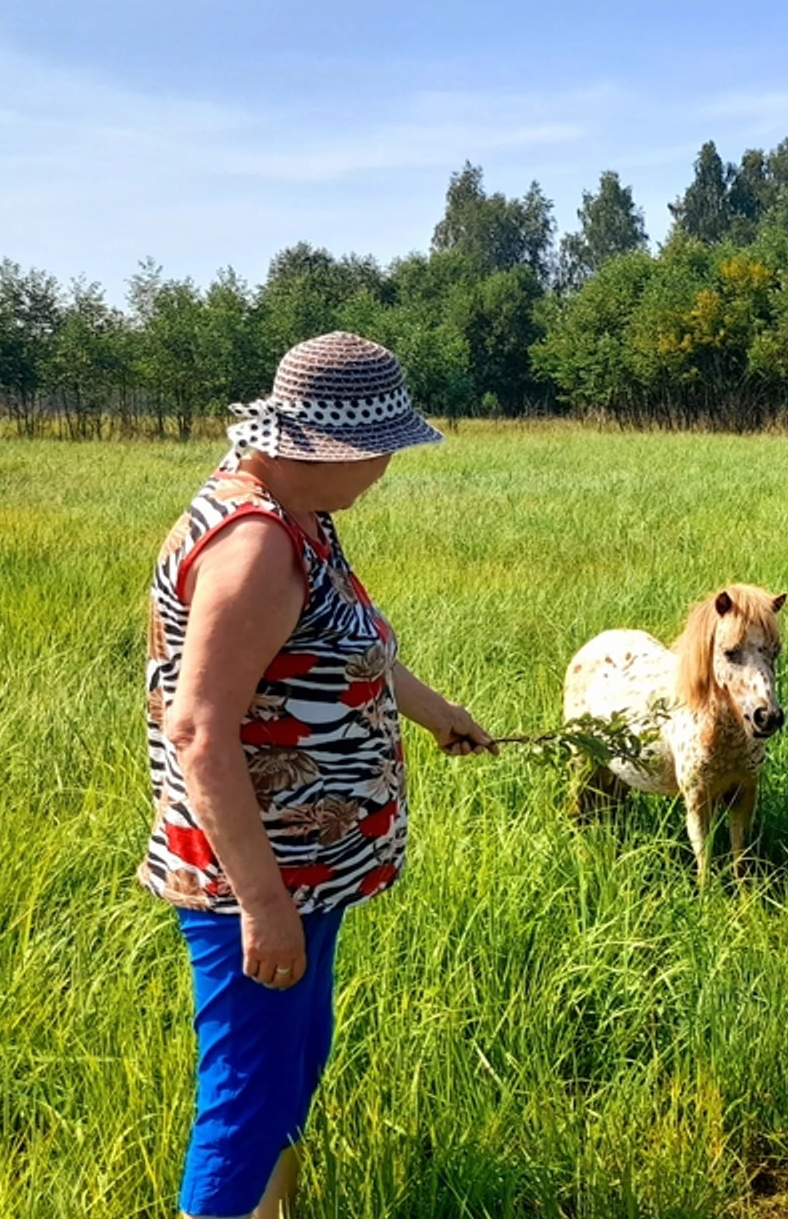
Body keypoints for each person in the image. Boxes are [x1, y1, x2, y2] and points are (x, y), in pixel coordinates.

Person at [139, 331, 497, 1218]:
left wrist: (436, 711)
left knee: (288, 1073)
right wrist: (263, 907)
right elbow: (199, 733)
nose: (386, 469)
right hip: (258, 877)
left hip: (308, 867)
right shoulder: (255, 546)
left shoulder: (298, 514)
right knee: (246, 1100)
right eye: (382, 450)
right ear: (329, 447)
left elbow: (345, 649)